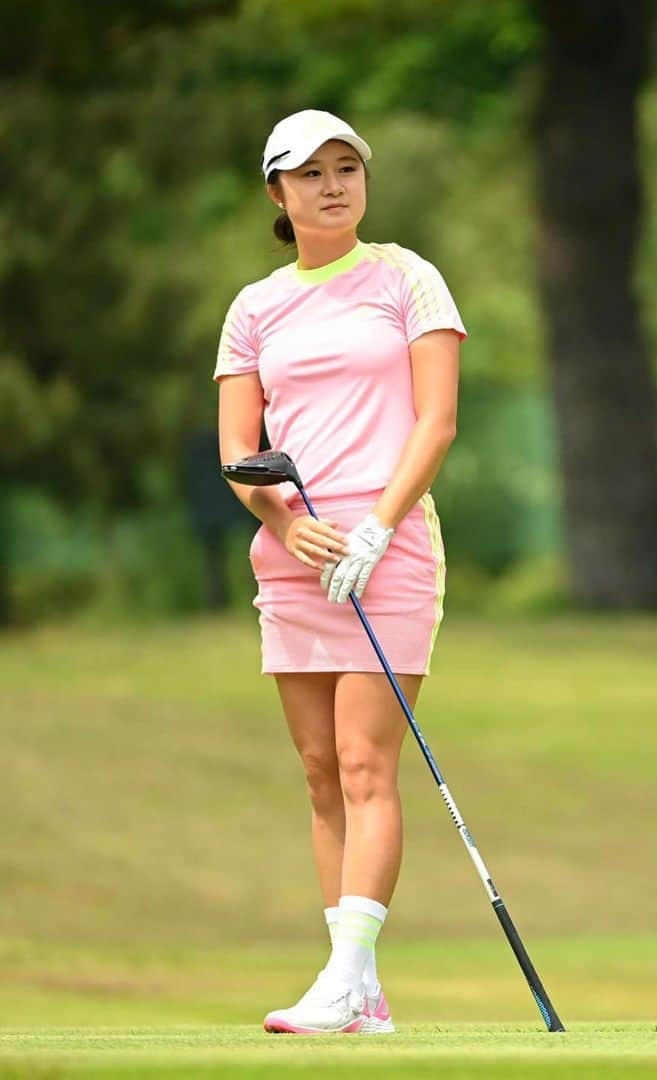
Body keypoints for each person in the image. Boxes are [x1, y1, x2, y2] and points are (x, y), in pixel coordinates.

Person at [213, 109, 465, 1034]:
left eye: (347, 167)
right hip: (294, 562)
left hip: (389, 553)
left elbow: (434, 423)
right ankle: (358, 992)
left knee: (366, 761)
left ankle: (346, 976)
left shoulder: (408, 279)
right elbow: (241, 451)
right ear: (277, 193)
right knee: (321, 772)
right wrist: (286, 523)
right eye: (310, 173)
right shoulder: (254, 307)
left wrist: (374, 528)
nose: (332, 184)